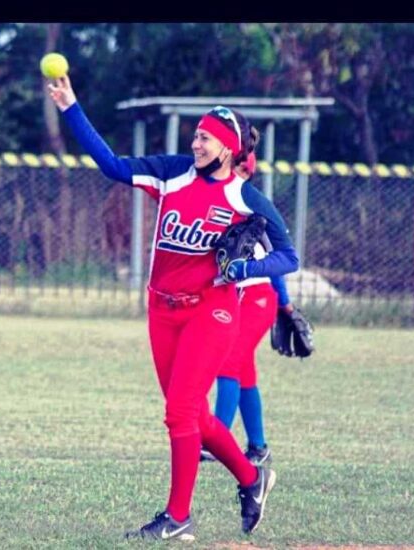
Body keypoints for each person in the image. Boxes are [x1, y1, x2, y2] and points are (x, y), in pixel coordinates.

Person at [47, 75, 299, 542]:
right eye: (197, 135)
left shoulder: (244, 197)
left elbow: (290, 256)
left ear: (226, 148)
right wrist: (71, 107)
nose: (196, 142)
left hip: (214, 310)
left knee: (180, 412)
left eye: (205, 137)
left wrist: (244, 268)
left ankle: (177, 516)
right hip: (162, 310)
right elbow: (112, 166)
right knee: (194, 418)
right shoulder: (172, 171)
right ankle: (251, 477)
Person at [201, 153, 296, 466]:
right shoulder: (219, 205)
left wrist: (284, 302)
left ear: (246, 170)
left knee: (228, 363)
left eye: (241, 168)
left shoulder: (253, 209)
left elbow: (277, 260)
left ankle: (219, 439)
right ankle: (258, 446)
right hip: (237, 299)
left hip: (257, 298)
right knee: (243, 371)